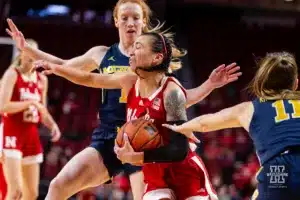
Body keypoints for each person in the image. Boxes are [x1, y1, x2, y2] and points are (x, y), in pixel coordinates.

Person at [6, 1, 240, 199]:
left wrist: (209, 85)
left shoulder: (153, 64)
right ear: (116, 21)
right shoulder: (103, 54)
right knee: (58, 186)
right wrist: (27, 50)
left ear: (144, 22)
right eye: (125, 17)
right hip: (110, 136)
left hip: (146, 138)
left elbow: (179, 99)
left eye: (136, 18)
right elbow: (71, 68)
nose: (131, 23)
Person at [35, 31, 220, 200]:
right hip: (155, 175)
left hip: (184, 173)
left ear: (157, 58)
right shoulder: (130, 81)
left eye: (138, 47)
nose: (131, 52)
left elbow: (179, 149)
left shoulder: (172, 93)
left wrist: (137, 158)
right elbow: (90, 78)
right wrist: (58, 69)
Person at [163, 52, 300, 200]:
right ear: (296, 83)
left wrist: (181, 128)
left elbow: (204, 123)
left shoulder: (250, 109)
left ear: (261, 82)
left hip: (278, 169)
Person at [0, 39, 61, 200]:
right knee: (15, 192)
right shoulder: (12, 74)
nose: (32, 57)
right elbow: (3, 106)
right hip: (11, 131)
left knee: (31, 194)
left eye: (35, 54)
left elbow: (42, 110)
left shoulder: (42, 80)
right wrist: (30, 102)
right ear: (21, 54)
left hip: (30, 134)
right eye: (29, 53)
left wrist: (52, 125)